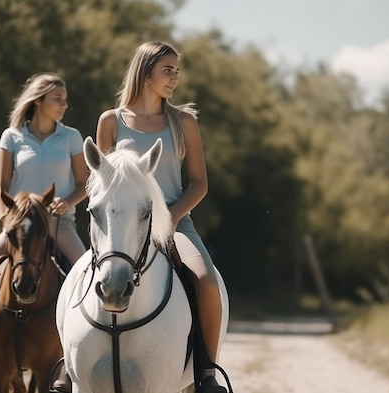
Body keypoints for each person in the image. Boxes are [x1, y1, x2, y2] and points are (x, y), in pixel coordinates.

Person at [97, 41, 227, 393]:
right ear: (145, 71)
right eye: (168, 70)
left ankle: (206, 373)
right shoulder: (110, 121)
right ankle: (69, 365)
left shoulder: (183, 122)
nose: (175, 78)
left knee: (206, 280)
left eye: (177, 71)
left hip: (175, 222)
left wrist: (167, 218)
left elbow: (199, 184)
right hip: (120, 226)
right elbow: (102, 186)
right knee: (76, 281)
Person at [0, 73, 88, 370]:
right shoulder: (11, 136)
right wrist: (7, 219)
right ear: (38, 101)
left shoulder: (71, 137)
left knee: (87, 274)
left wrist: (67, 201)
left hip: (58, 223)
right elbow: (1, 185)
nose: (64, 105)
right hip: (19, 227)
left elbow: (84, 183)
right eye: (58, 99)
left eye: (65, 100)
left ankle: (75, 354)